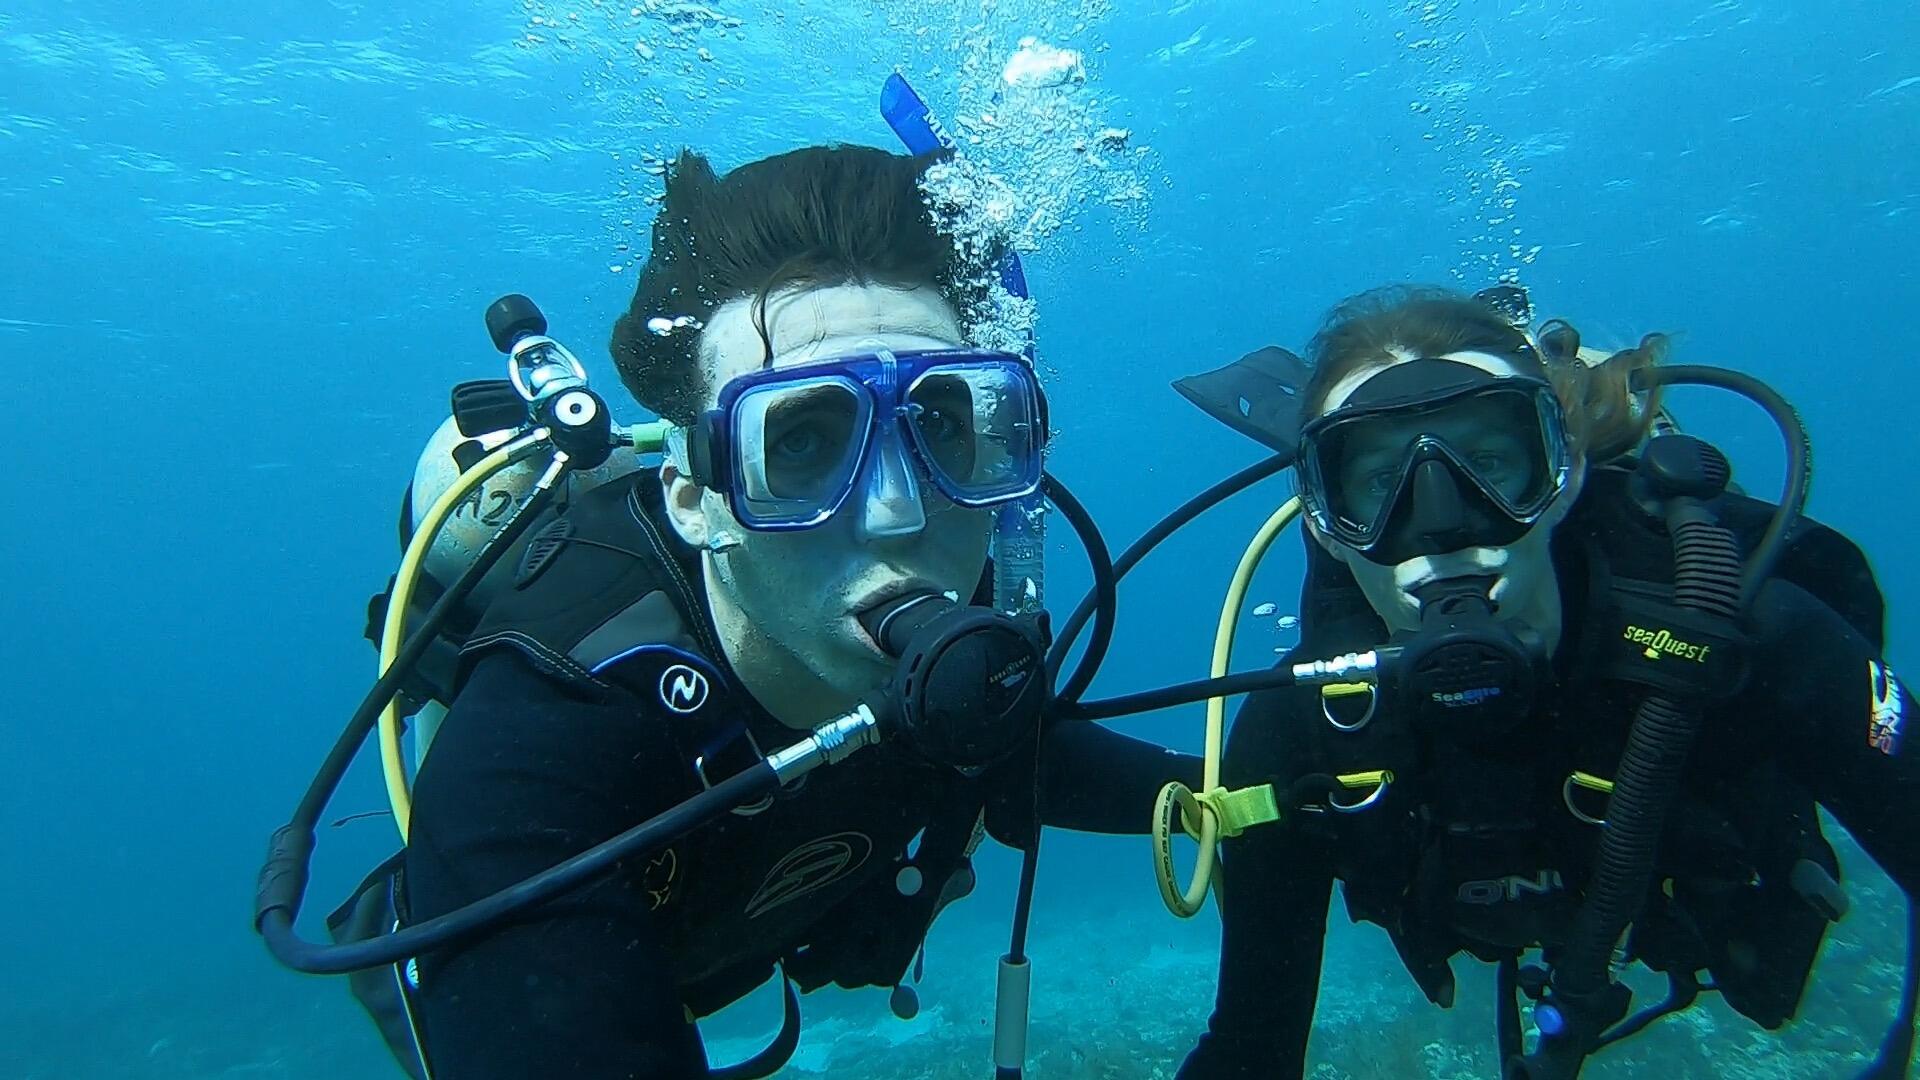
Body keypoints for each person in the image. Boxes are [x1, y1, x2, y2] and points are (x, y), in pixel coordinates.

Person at [395, 144, 1199, 1079]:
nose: (899, 511)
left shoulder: (968, 617)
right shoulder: (539, 739)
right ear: (697, 500)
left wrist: (1267, 791)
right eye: (806, 438)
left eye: (941, 424)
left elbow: (1030, 756)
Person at [1172, 285, 1917, 1078]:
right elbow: (1251, 1049)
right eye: (1378, 484)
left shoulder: (1753, 641)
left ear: (1564, 475)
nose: (1444, 526)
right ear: (1325, 522)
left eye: (1491, 463)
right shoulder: (1307, 726)